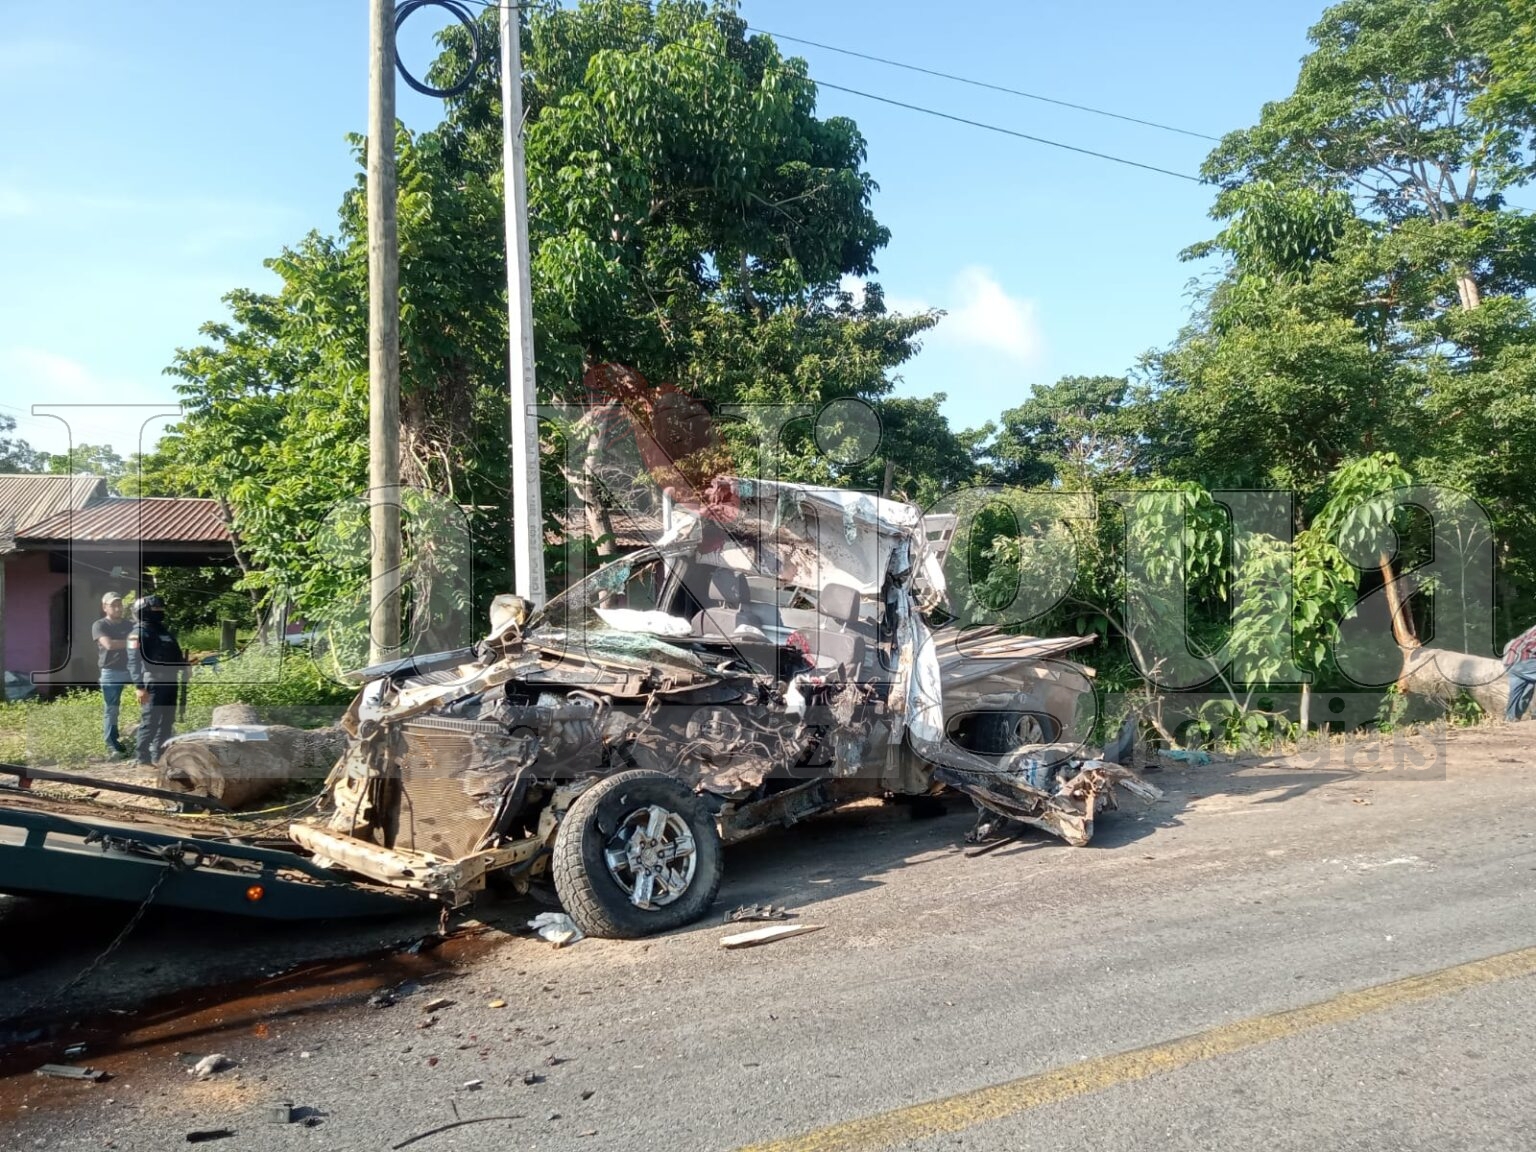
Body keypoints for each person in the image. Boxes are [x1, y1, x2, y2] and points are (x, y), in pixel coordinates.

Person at [127, 594, 187, 766]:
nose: (160, 612)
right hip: (152, 683)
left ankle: (160, 756)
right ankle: (142, 759)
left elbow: (175, 655)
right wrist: (139, 687)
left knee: (167, 721)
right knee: (150, 722)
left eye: (161, 608)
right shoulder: (137, 633)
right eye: (156, 609)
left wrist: (184, 665)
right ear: (143, 612)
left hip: (170, 682)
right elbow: (133, 662)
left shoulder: (164, 632)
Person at [91, 592, 134, 759]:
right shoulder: (100, 625)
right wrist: (132, 642)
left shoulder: (130, 625)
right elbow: (109, 645)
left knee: (148, 700)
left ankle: (147, 739)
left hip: (132, 670)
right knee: (112, 709)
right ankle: (112, 745)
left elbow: (141, 641)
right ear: (105, 607)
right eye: (113, 605)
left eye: (119, 604)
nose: (117, 608)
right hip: (111, 671)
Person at [1503, 620, 1536, 723]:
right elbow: (1530, 644)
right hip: (1522, 660)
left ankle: (1510, 719)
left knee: (1524, 692)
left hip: (1511, 660)